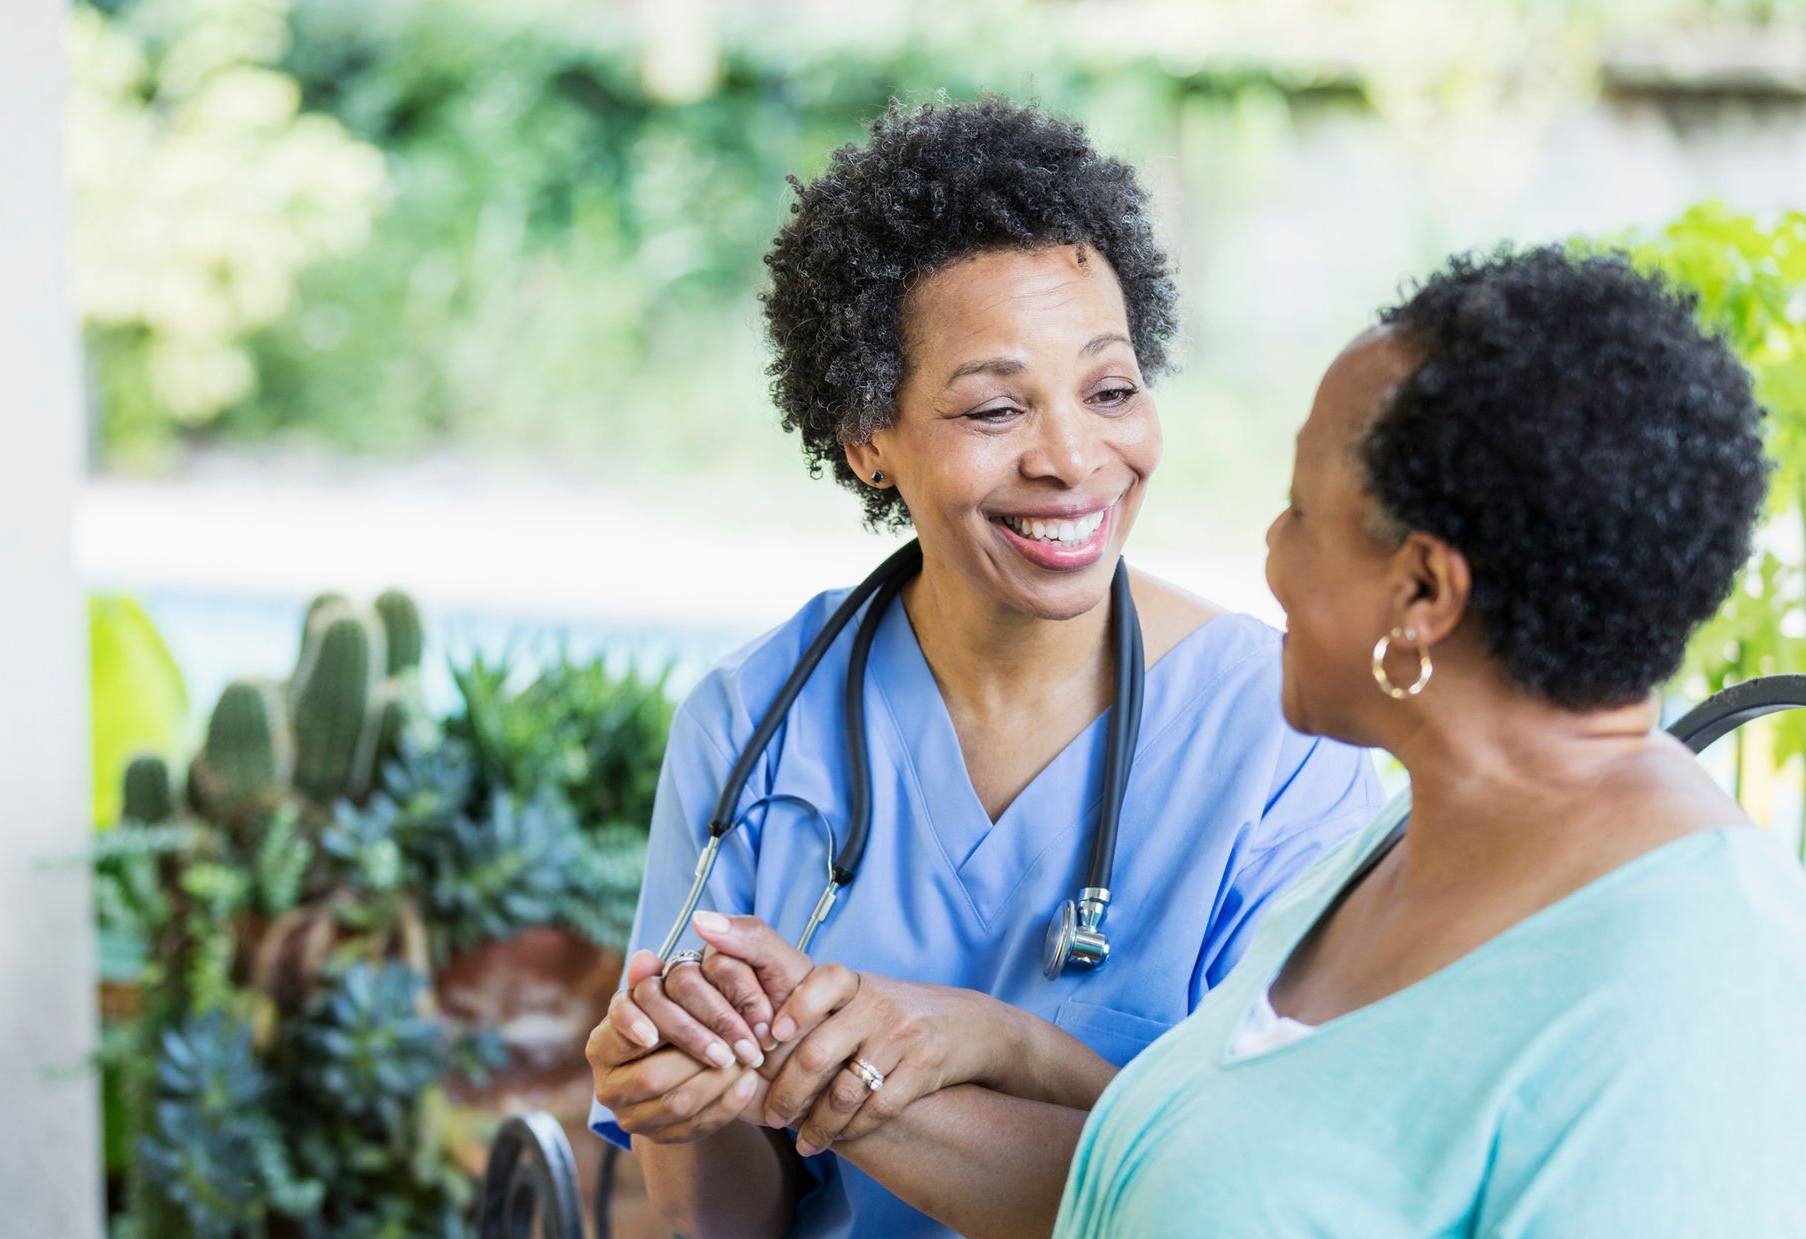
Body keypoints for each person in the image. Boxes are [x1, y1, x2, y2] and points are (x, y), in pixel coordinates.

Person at [585, 96, 1382, 1237]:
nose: (1071, 459)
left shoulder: (1284, 734)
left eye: (1110, 390)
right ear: (867, 437)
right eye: (996, 407)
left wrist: (989, 1046)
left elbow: (1268, 1194)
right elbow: (721, 1225)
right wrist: (685, 1097)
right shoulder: (754, 723)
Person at [1055, 246, 1806, 1235]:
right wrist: (972, 1056)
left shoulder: (1690, 996)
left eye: (1301, 513)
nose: (1271, 553)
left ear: (1421, 592)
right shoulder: (1419, 833)